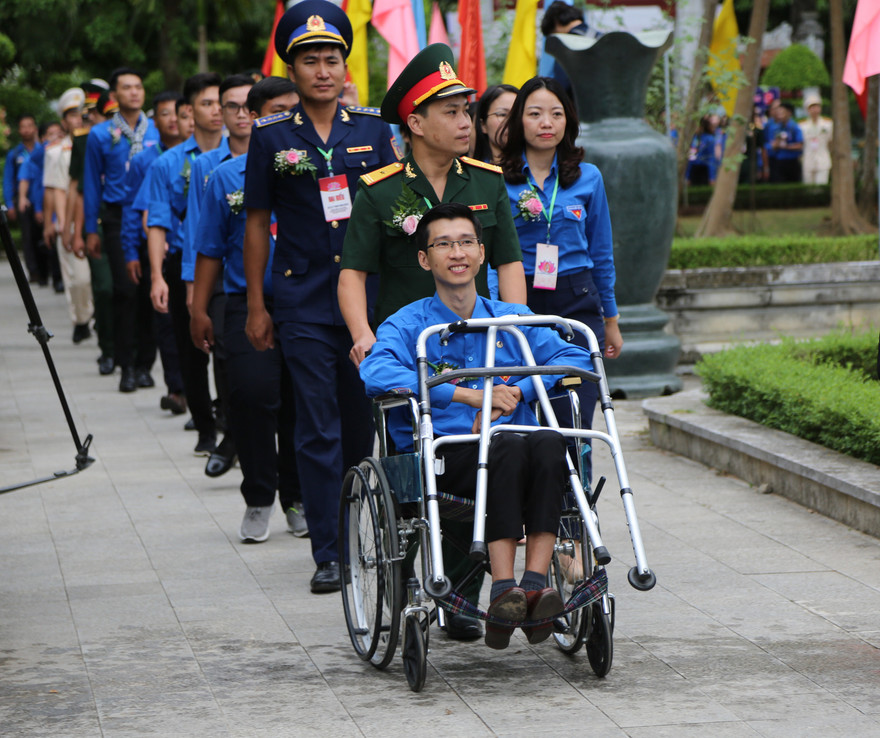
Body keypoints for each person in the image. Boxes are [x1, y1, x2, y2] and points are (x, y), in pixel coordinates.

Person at [339, 43, 526, 641]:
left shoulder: (487, 183)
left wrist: (518, 334)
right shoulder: (379, 190)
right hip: (415, 356)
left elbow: (510, 265)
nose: (466, 122)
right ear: (416, 123)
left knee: (501, 449)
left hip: (482, 348)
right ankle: (438, 581)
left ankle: (468, 591)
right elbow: (352, 274)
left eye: (468, 110)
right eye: (451, 112)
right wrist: (364, 336)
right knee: (426, 472)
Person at [360, 202, 593, 649]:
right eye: (444, 244)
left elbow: (575, 356)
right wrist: (467, 395)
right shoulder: (408, 325)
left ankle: (532, 586)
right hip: (450, 456)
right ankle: (504, 587)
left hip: (523, 448)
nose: (457, 252)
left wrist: (517, 391)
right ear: (425, 259)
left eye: (466, 242)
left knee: (549, 440)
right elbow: (375, 372)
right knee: (504, 445)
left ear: (482, 253)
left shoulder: (514, 319)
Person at [243, 0, 398, 591]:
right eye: (310, 61)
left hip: (365, 301)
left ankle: (359, 531)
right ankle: (329, 553)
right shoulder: (271, 136)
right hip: (301, 298)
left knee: (359, 426)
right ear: (293, 69)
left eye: (332, 59)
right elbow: (257, 222)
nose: (322, 70)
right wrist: (257, 305)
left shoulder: (373, 130)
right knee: (316, 424)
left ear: (344, 65)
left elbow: (393, 212)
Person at [191, 76, 307, 542]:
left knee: (300, 402)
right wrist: (199, 308)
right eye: (279, 112)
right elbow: (209, 247)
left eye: (295, 111)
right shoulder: (225, 176)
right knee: (252, 396)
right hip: (245, 302)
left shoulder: (310, 169)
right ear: (255, 119)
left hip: (303, 300)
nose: (291, 120)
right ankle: (259, 495)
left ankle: (296, 498)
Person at [498, 76, 622, 483]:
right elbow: (490, 255)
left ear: (569, 120)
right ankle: (537, 506)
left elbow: (601, 253)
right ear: (519, 120)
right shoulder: (498, 178)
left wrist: (611, 319)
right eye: (534, 114)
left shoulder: (588, 177)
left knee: (575, 415)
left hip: (577, 300)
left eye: (556, 113)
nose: (546, 123)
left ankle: (577, 509)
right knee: (525, 413)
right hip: (521, 302)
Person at [147, 72, 224, 457]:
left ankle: (231, 426)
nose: (216, 111)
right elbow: (157, 222)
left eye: (219, 103)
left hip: (231, 263)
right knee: (191, 349)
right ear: (189, 111)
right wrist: (157, 276)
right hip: (184, 263)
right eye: (206, 103)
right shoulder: (168, 163)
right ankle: (205, 429)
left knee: (229, 350)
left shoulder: (243, 154)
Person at [83, 67, 160, 392]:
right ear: (114, 95)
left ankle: (145, 365)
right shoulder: (101, 134)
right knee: (125, 290)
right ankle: (125, 364)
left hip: (154, 216)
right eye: (127, 87)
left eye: (138, 86)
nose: (134, 92)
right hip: (117, 216)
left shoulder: (156, 128)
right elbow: (91, 183)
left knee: (150, 291)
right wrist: (90, 228)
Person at [122, 90, 187, 413]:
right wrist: (131, 251)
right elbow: (133, 209)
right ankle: (177, 389)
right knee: (167, 322)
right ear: (155, 121)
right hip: (161, 251)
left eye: (179, 113)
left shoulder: (206, 155)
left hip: (200, 254)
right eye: (165, 113)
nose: (173, 119)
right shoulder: (146, 161)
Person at [67, 82, 116, 376]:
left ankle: (131, 352)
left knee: (129, 290)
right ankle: (108, 349)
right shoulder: (84, 141)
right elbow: (79, 190)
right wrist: (76, 232)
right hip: (96, 223)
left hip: (127, 224)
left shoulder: (137, 138)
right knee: (104, 288)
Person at [42, 88, 94, 343]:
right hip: (70, 218)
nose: (77, 120)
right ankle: (81, 320)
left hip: (93, 217)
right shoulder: (56, 151)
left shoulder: (97, 142)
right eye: (72, 115)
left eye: (81, 114)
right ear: (64, 121)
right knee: (77, 279)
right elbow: (55, 190)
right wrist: (61, 223)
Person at [473, 84, 518, 299]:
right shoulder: (472, 178)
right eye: (502, 114)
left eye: (517, 114)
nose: (510, 122)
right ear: (482, 124)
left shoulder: (541, 175)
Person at [3, 114, 44, 284]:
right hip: (23, 201)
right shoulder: (14, 154)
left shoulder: (43, 149)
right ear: (19, 130)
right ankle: (33, 271)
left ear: (35, 128)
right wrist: (10, 204)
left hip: (43, 199)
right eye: (23, 126)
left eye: (29, 125)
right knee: (27, 236)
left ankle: (46, 270)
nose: (27, 129)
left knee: (43, 234)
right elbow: (7, 180)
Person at [764, 101, 803, 183]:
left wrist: (786, 147)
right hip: (778, 162)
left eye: (782, 112)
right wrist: (775, 144)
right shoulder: (775, 127)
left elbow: (800, 145)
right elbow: (770, 144)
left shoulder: (794, 127)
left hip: (792, 162)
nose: (779, 114)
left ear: (789, 113)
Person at [800, 93, 832, 185]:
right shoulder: (802, 126)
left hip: (823, 160)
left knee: (821, 185)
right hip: (808, 160)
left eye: (817, 106)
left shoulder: (828, 124)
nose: (814, 110)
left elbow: (831, 142)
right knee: (808, 187)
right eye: (812, 107)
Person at [685, 114, 719, 186]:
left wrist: (687, 176)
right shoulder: (709, 139)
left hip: (696, 170)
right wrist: (712, 177)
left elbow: (691, 157)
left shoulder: (697, 138)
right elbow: (711, 159)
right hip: (704, 171)